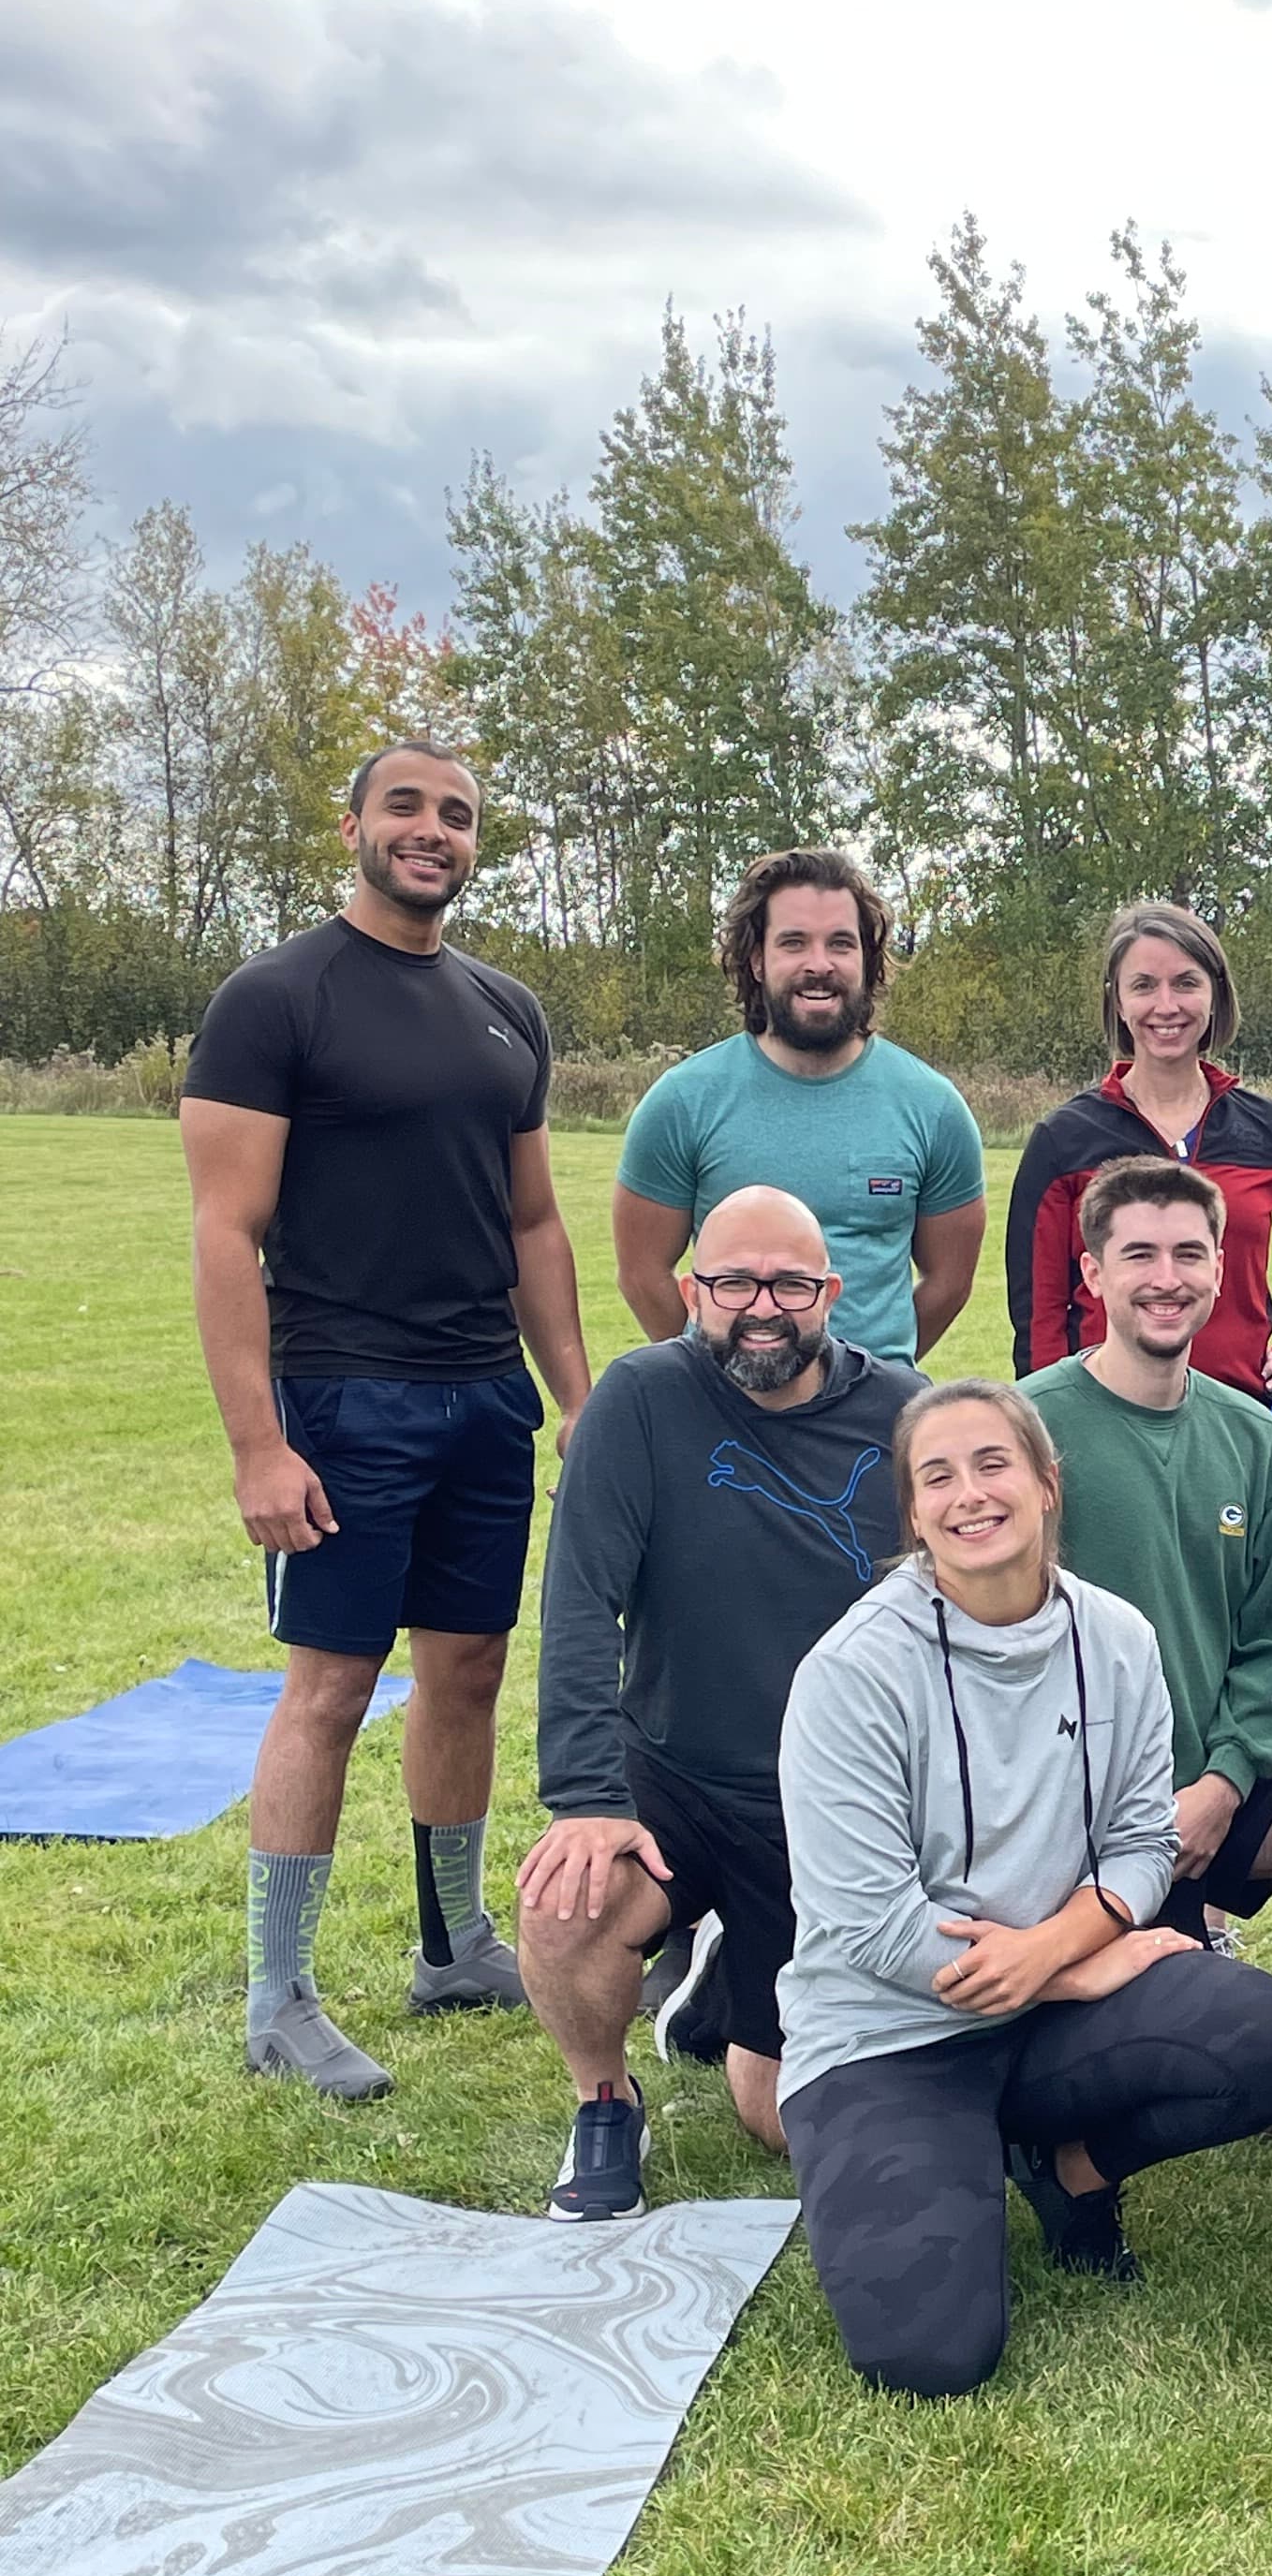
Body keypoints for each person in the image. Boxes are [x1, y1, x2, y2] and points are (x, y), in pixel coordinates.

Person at [774, 1382, 1272, 2399]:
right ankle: (940, 2160)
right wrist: (1062, 1974)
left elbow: (1139, 1841)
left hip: (1052, 2001)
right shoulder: (851, 1672)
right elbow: (870, 1924)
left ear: (1046, 1483)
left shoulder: (1118, 1638)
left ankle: (1067, 2169)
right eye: (936, 1476)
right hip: (890, 2032)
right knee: (928, 2357)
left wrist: (1071, 1937)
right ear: (911, 1512)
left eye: (993, 1464)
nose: (969, 1494)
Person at [182, 739, 592, 2102]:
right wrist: (257, 1442)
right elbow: (225, 1232)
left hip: (485, 1395)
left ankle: (450, 1941)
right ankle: (277, 1997)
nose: (431, 831)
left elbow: (534, 1221)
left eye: (458, 815)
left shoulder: (505, 1009)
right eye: (406, 806)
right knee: (333, 1687)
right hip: (343, 1395)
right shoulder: (273, 1000)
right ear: (354, 823)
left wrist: (579, 1400)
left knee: (469, 1667)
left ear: (477, 844)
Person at [510, 1187, 921, 2218]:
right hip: (680, 1774)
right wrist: (586, 1800)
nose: (762, 1306)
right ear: (692, 1289)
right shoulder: (639, 1399)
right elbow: (577, 1604)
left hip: (837, 1807)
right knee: (566, 1905)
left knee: (784, 2123)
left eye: (790, 1283)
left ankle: (728, 1987)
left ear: (832, 1292)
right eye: (733, 1281)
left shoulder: (907, 1414)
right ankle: (604, 2102)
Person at [1023, 1157, 1272, 1943]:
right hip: (1066, 1809)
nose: (1168, 1278)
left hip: (1210, 1788)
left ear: (1221, 1269)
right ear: (1091, 1273)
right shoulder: (1027, 1431)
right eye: (1139, 1255)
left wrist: (1225, 1781)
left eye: (1189, 1254)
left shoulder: (1255, 1439)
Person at [613, 848, 985, 1368]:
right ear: (757, 959)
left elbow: (949, 1281)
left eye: (840, 943)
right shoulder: (682, 1104)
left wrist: (868, 1374)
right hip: (726, 1419)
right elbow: (643, 1273)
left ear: (867, 959)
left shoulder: (934, 1109)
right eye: (794, 943)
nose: (819, 964)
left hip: (875, 1426)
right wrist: (724, 1369)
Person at [1006, 901, 1272, 1398]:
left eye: (1185, 982)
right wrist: (1051, 1418)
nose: (1166, 1006)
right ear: (1117, 1001)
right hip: (1102, 1415)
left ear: (1215, 994)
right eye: (1143, 985)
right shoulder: (1066, 1137)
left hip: (1239, 1414)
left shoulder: (1271, 1129)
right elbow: (1038, 1314)